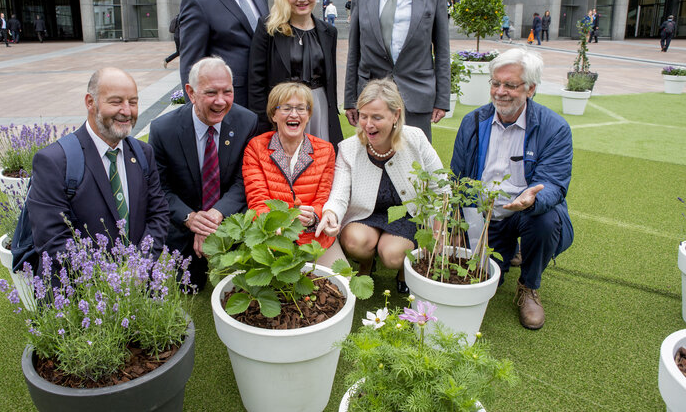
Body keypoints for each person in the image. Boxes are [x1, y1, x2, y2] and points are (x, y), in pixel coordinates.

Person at [450, 48, 573, 330]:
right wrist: (456, 226)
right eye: (496, 83)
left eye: (510, 85)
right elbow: (458, 179)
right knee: (483, 278)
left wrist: (533, 199)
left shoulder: (554, 128)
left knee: (546, 220)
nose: (500, 92)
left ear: (530, 89)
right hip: (484, 214)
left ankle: (529, 285)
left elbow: (554, 183)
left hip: (525, 211)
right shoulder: (473, 122)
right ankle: (508, 252)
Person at [28, 68, 170, 272]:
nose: (127, 111)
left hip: (137, 287)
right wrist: (111, 280)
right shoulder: (54, 161)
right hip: (81, 295)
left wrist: (139, 267)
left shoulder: (143, 153)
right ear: (90, 102)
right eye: (116, 102)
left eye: (133, 102)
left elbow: (159, 214)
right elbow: (52, 240)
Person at [317, 78, 444, 293]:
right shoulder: (348, 148)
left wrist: (439, 228)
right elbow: (339, 194)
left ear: (395, 115)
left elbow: (440, 186)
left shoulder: (416, 138)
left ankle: (404, 271)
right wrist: (330, 213)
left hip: (407, 215)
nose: (368, 124)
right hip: (365, 215)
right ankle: (367, 263)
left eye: (377, 117)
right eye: (363, 116)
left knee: (393, 255)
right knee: (355, 242)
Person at [149, 57, 258, 291]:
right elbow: (159, 189)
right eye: (211, 93)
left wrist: (215, 216)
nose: (221, 101)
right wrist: (191, 219)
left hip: (227, 216)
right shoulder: (163, 130)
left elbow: (244, 181)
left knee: (241, 283)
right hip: (185, 224)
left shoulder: (246, 121)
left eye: (227, 92)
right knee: (190, 286)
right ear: (190, 92)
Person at [345, 0, 450, 142]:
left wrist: (442, 99)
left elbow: (442, 51)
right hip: (371, 97)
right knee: (372, 161)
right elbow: (354, 51)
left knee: (413, 165)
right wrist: (350, 100)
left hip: (416, 96)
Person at [243, 82, 346, 267]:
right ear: (273, 114)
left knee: (343, 281)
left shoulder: (325, 150)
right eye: (286, 108)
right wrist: (285, 220)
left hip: (312, 236)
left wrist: (313, 216)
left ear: (308, 115)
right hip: (273, 237)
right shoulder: (256, 148)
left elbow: (323, 198)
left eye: (301, 108)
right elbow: (257, 202)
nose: (294, 114)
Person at [248, 0, 343, 146]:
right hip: (283, 112)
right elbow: (256, 82)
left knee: (320, 167)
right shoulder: (269, 28)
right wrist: (263, 125)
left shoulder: (328, 32)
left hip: (319, 110)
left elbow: (330, 83)